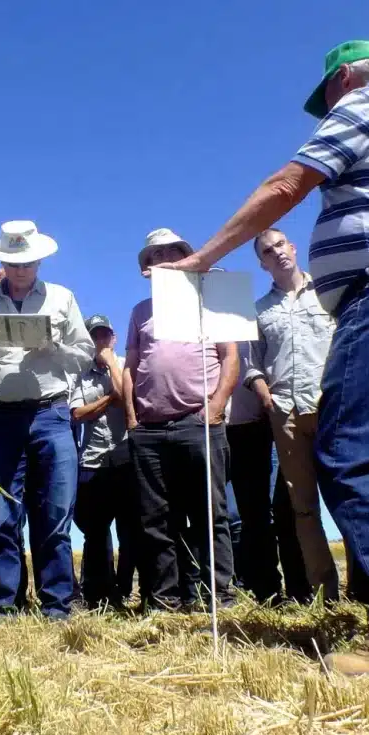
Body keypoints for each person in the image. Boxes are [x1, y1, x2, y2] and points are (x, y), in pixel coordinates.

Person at [161, 41, 369, 673]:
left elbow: (289, 183)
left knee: (348, 450)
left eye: (328, 98)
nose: (328, 112)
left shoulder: (365, 104)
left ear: (345, 77)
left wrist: (204, 259)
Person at [0, 220, 94, 619]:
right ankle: (2, 604)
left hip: (51, 413)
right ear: (2, 261)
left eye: (27, 261)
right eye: (13, 262)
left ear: (39, 260)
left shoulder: (63, 299)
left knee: (54, 511)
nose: (20, 269)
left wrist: (56, 347)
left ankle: (57, 606)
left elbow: (84, 356)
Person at [124, 228, 239, 612]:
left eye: (172, 252)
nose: (164, 260)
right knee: (156, 519)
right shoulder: (140, 312)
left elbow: (230, 356)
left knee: (210, 514)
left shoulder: (211, 298)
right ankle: (164, 599)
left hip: (199, 420)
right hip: (151, 428)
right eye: (156, 256)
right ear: (146, 268)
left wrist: (218, 402)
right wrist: (131, 418)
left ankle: (217, 595)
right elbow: (131, 366)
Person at [244, 229, 339, 602]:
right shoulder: (258, 310)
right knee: (303, 508)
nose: (276, 253)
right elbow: (252, 363)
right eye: (267, 251)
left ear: (293, 248)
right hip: (285, 411)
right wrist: (262, 390)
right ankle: (324, 596)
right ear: (262, 263)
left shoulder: (328, 292)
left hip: (332, 406)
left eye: (280, 245)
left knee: (352, 496)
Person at [225, 343, 310, 604]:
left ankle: (296, 589)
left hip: (261, 425)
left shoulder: (248, 324)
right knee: (240, 516)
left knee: (275, 512)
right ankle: (262, 588)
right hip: (221, 429)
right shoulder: (197, 331)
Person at [69, 314, 137, 609]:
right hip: (93, 461)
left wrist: (112, 365)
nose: (100, 341)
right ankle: (98, 593)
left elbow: (128, 397)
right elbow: (77, 414)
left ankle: (124, 589)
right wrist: (109, 400)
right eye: (94, 336)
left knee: (131, 530)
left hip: (125, 459)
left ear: (114, 338)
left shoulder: (124, 366)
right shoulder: (78, 374)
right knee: (94, 533)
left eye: (105, 335)